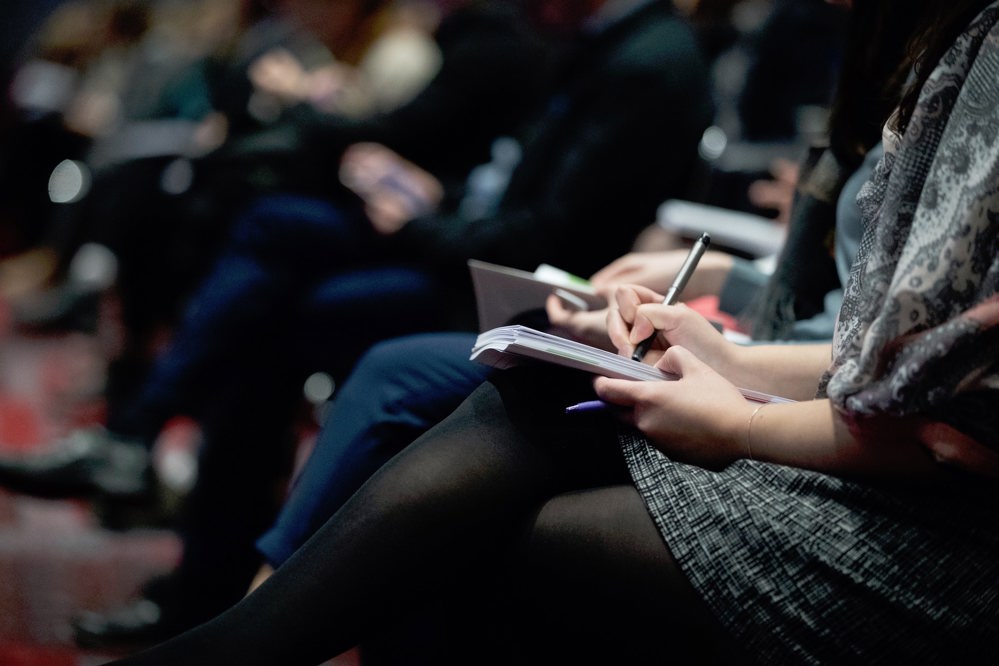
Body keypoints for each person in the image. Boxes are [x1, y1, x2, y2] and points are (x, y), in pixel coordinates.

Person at [96, 0, 999, 664]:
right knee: (354, 316)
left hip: (941, 534)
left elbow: (945, 413)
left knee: (466, 464)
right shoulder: (921, 50)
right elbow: (884, 348)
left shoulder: (650, 57)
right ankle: (220, 603)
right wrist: (724, 346)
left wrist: (742, 411)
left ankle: (229, 618)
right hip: (831, 410)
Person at [0, 0, 714, 650]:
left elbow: (545, 237)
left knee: (287, 312)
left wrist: (421, 219)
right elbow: (508, 186)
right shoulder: (587, 40)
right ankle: (207, 574)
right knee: (264, 251)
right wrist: (436, 201)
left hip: (533, 300)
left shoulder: (632, 60)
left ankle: (231, 594)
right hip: (480, 257)